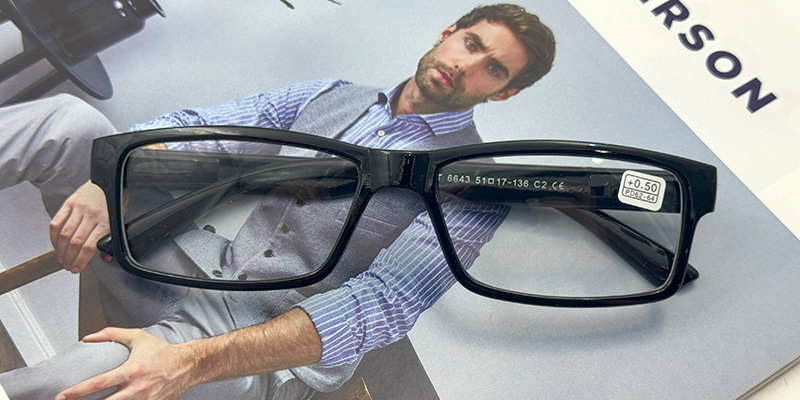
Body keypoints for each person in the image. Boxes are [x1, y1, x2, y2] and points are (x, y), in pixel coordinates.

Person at [0, 4, 555, 399]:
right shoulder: (331, 95)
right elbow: (202, 130)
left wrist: (189, 362)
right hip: (192, 269)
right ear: (448, 33)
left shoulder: (477, 184)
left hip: (251, 346)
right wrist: (110, 175)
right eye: (472, 43)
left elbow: (385, 303)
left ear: (503, 92)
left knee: (92, 374)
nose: (467, 65)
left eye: (494, 68)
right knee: (71, 124)